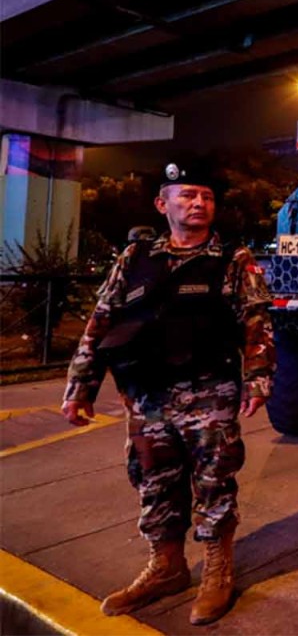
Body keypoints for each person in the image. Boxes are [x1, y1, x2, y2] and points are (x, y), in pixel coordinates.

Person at [61, 162, 275, 625]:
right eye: (188, 195)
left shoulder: (233, 259)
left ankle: (218, 570)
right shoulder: (134, 258)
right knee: (153, 480)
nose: (198, 203)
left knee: (215, 479)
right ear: (164, 204)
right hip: (146, 395)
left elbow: (255, 321)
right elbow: (101, 322)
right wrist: (81, 387)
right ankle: (167, 567)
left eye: (207, 197)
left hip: (209, 391)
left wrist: (258, 378)